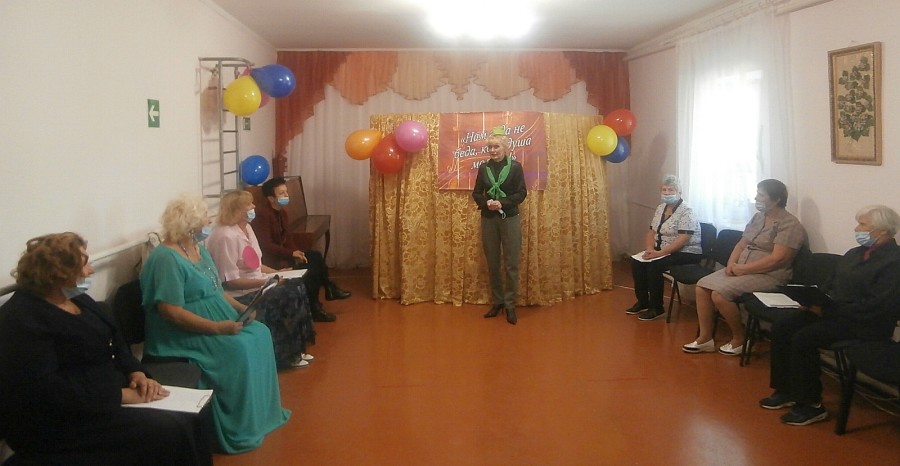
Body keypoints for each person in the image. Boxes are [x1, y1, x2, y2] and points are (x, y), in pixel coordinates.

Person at [0, 233, 211, 465]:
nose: (90, 270)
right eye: (84, 265)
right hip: (61, 422)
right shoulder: (22, 319)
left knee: (194, 417)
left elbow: (115, 343)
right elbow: (47, 390)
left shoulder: (78, 300)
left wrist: (136, 373)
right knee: (170, 430)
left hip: (105, 395)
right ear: (58, 274)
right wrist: (120, 395)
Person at [140, 195, 290, 454]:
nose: (209, 222)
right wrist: (217, 328)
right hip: (183, 333)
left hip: (219, 317)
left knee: (261, 333)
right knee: (238, 349)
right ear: (188, 224)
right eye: (204, 219)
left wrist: (242, 309)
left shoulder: (198, 249)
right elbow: (171, 312)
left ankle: (260, 416)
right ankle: (238, 426)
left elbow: (217, 290)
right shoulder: (165, 258)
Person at [760, 205, 900, 425]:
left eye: (862, 224)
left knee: (804, 338)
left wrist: (827, 309)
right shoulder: (854, 254)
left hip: (865, 323)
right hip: (833, 312)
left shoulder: (894, 261)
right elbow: (831, 283)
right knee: (782, 327)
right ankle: (786, 391)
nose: (857, 229)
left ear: (882, 230)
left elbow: (879, 305)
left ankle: (811, 405)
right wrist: (812, 300)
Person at [683, 179, 806, 355]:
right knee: (702, 286)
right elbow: (742, 243)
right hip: (741, 268)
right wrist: (731, 263)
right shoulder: (758, 217)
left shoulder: (790, 224)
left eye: (761, 195)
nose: (756, 198)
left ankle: (740, 339)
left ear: (776, 199)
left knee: (719, 295)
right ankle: (705, 338)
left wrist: (744, 269)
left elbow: (777, 259)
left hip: (769, 275)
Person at [206, 190, 316, 369]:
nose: (253, 207)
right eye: (248, 205)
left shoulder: (247, 228)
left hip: (258, 283)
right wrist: (268, 282)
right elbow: (230, 281)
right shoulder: (225, 236)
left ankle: (295, 348)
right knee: (287, 295)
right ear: (237, 210)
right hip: (240, 293)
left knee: (297, 285)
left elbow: (256, 264)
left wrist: (277, 273)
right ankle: (283, 355)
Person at [252, 177, 350, 322]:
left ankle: (328, 288)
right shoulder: (263, 215)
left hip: (284, 255)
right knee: (311, 270)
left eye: (286, 192)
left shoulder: (282, 213)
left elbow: (288, 238)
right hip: (273, 261)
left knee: (314, 256)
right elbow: (266, 245)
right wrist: (291, 253)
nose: (286, 196)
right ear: (271, 198)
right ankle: (317, 305)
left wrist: (297, 253)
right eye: (282, 193)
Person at [626, 175, 702, 321]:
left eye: (671, 190)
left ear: (679, 192)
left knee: (654, 265)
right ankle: (643, 302)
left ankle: (656, 307)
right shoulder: (661, 208)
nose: (667, 193)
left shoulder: (687, 211)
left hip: (686, 251)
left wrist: (659, 253)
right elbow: (651, 232)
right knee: (637, 262)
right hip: (662, 249)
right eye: (664, 190)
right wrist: (649, 249)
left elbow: (683, 239)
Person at [472, 126, 528, 325]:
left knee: (511, 262)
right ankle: (498, 302)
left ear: (505, 147)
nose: (492, 150)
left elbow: (521, 193)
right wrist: (486, 202)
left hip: (509, 218)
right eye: (490, 147)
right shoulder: (483, 168)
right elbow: (477, 193)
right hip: (488, 219)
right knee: (493, 262)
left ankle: (510, 304)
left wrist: (502, 203)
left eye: (496, 147)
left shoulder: (515, 167)